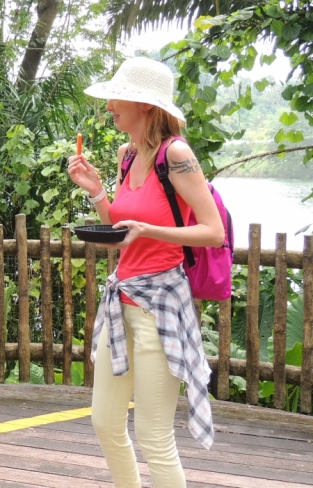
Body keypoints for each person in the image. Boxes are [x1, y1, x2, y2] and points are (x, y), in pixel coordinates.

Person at [67, 57, 225, 488]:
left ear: (145, 105)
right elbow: (122, 228)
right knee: (105, 422)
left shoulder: (176, 154)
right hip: (121, 301)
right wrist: (97, 190)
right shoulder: (127, 155)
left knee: (155, 437)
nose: (109, 107)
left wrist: (148, 230)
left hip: (161, 308)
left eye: (117, 99)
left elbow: (212, 232)